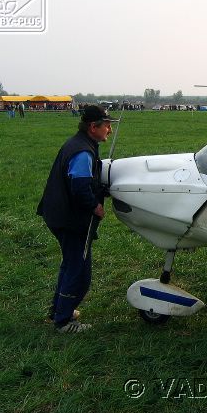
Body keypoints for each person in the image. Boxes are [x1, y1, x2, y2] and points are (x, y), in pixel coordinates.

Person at [37, 105, 118, 333]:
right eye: (107, 125)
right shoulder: (82, 151)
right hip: (70, 220)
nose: (109, 130)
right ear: (94, 127)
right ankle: (63, 322)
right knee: (80, 271)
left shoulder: (78, 143)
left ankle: (58, 310)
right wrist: (96, 206)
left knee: (70, 264)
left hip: (57, 214)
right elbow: (80, 188)